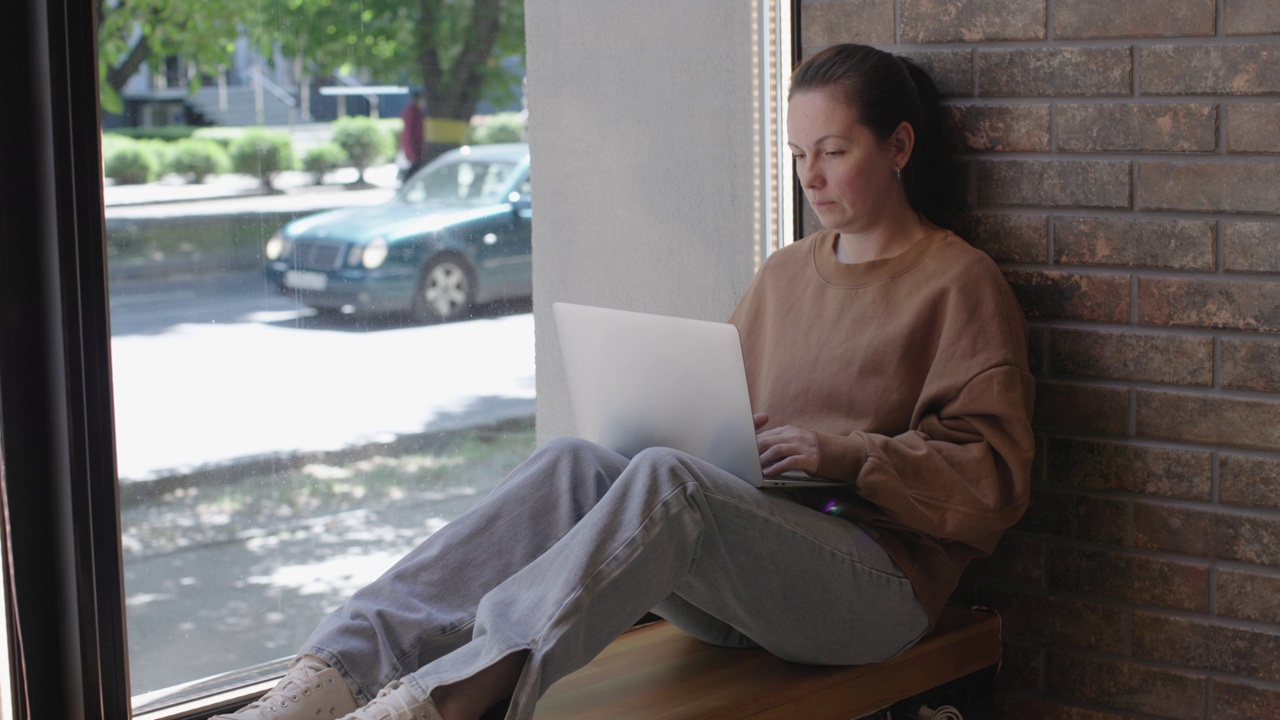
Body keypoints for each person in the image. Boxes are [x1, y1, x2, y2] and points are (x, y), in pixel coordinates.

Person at [218, 43, 1035, 720]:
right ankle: (330, 675)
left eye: (834, 152)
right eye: (797, 155)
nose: (810, 178)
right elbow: (721, 412)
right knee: (575, 463)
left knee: (670, 483)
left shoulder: (958, 283)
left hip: (875, 588)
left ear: (897, 147)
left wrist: (845, 454)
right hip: (751, 578)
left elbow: (994, 485)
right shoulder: (785, 275)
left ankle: (449, 702)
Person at [399, 92, 427, 182]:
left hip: (412, 144)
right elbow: (412, 131)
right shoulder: (414, 112)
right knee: (416, 166)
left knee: (415, 166)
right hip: (414, 144)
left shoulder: (412, 111)